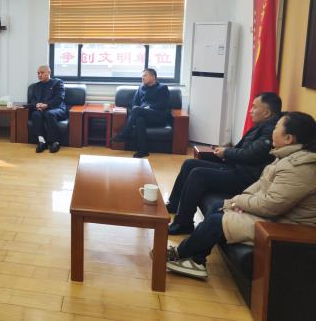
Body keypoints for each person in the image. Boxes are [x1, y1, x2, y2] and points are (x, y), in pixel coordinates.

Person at [163, 111, 316, 280]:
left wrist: (239, 202)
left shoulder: (298, 167)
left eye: (277, 127)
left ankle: (180, 254)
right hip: (275, 216)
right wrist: (238, 202)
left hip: (286, 227)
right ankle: (197, 261)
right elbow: (260, 186)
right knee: (219, 206)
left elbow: (271, 205)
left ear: (288, 138)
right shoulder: (285, 157)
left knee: (216, 221)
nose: (273, 130)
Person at [167, 92, 282, 235]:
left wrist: (226, 153)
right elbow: (244, 150)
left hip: (246, 178)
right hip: (238, 168)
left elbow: (252, 154)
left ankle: (184, 224)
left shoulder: (270, 131)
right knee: (189, 164)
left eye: (254, 107)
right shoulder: (262, 126)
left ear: (267, 113)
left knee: (198, 175)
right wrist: (224, 151)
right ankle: (174, 204)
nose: (250, 110)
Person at [111, 68, 171, 158]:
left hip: (158, 116)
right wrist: (140, 109)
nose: (142, 78)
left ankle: (124, 134)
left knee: (137, 110)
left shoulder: (162, 88)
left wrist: (148, 107)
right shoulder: (141, 88)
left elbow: (163, 104)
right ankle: (143, 150)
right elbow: (134, 102)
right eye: (142, 76)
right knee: (139, 119)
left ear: (153, 76)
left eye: (145, 76)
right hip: (144, 114)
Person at [29, 65, 66, 153]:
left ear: (49, 72)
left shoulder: (58, 83)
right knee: (35, 114)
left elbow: (59, 98)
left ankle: (55, 142)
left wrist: (47, 105)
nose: (39, 75)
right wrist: (36, 105)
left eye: (42, 73)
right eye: (38, 73)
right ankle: (42, 142)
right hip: (42, 109)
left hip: (57, 108)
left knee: (49, 113)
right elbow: (32, 100)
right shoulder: (36, 86)